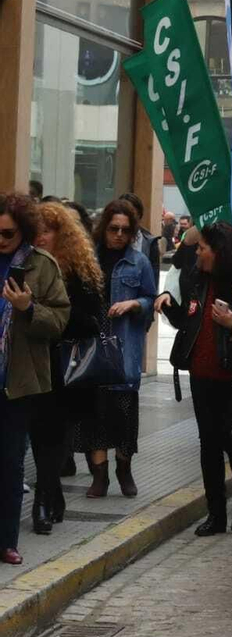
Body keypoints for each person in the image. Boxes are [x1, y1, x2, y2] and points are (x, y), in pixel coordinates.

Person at [162, 222, 232, 537]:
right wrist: (170, 308)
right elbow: (188, 321)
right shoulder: (194, 279)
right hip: (201, 378)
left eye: (203, 247)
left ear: (219, 252)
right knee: (209, 445)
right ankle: (215, 514)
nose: (197, 252)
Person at [3, 196, 70, 556]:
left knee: (11, 463)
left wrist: (28, 308)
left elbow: (59, 320)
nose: (0, 239)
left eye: (7, 233)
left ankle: (7, 543)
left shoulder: (41, 266)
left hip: (18, 380)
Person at [29, 202, 102, 532]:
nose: (41, 236)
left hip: (64, 366)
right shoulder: (27, 266)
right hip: (31, 363)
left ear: (62, 234)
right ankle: (51, 494)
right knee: (38, 435)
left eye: (48, 230)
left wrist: (55, 314)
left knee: (53, 435)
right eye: (37, 230)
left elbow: (92, 322)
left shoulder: (78, 271)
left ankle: (42, 500)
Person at [76, 199, 156, 500]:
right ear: (104, 228)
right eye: (113, 229)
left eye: (125, 229)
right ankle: (100, 476)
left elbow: (150, 299)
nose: (119, 235)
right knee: (95, 414)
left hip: (123, 349)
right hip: (93, 346)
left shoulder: (139, 262)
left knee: (123, 415)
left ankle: (124, 469)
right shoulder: (88, 260)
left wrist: (134, 304)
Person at [117, 191, 164, 270]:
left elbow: (153, 276)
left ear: (139, 214)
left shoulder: (150, 242)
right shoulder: (110, 238)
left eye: (132, 214)